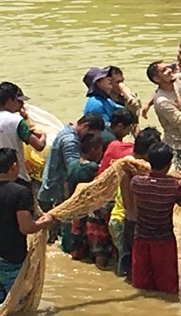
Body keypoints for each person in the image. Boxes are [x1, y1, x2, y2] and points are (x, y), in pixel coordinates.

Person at [0, 148, 52, 307]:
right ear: (14, 166)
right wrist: (46, 221)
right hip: (12, 261)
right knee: (18, 307)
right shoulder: (21, 192)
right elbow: (26, 227)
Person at [129, 143, 181, 295]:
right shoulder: (172, 186)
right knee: (167, 290)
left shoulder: (136, 182)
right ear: (168, 164)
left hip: (141, 239)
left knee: (142, 289)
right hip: (163, 241)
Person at [114, 128, 161, 278]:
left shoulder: (127, 163)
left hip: (123, 219)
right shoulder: (135, 169)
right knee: (137, 269)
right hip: (134, 223)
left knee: (127, 265)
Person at [37, 113, 105, 214]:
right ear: (85, 126)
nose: (91, 139)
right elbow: (74, 169)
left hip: (50, 189)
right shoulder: (70, 141)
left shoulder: (68, 129)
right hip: (55, 195)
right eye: (91, 135)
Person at [0, 81, 46, 186]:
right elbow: (39, 146)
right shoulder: (16, 120)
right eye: (18, 101)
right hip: (15, 177)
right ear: (9, 101)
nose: (22, 104)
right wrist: (43, 135)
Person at [147, 60, 181, 170]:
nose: (170, 70)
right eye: (164, 70)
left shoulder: (176, 80)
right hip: (179, 148)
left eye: (168, 67)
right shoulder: (162, 101)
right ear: (157, 79)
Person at [64, 133, 104, 262]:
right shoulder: (92, 168)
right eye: (100, 149)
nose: (101, 152)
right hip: (88, 212)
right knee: (93, 248)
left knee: (77, 248)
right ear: (93, 150)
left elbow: (66, 185)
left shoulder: (73, 165)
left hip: (74, 209)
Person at [96, 108, 137, 175]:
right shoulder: (111, 142)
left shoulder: (105, 127)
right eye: (128, 130)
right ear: (120, 126)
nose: (128, 133)